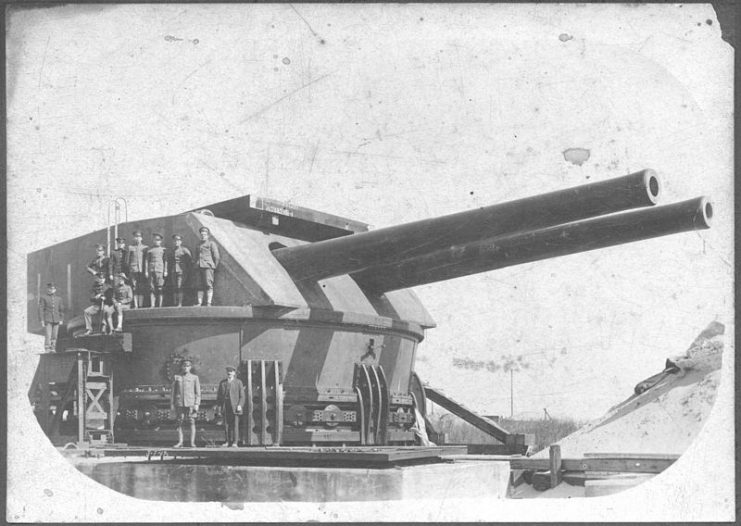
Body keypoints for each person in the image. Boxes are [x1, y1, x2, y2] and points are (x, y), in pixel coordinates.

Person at [170, 359, 201, 448]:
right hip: (180, 403)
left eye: (187, 366)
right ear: (182, 367)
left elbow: (198, 392)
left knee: (192, 422)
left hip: (190, 403)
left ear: (190, 367)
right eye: (184, 366)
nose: (185, 368)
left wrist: (197, 404)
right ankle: (180, 442)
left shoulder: (194, 378)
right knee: (180, 422)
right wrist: (172, 404)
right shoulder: (177, 377)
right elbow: (173, 392)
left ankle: (192, 443)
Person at [216, 366, 245, 447]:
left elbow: (242, 396)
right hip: (226, 406)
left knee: (235, 425)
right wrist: (219, 407)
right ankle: (227, 441)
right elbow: (219, 396)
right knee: (226, 425)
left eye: (231, 371)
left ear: (234, 373)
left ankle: (235, 442)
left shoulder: (238, 382)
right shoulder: (222, 383)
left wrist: (240, 405)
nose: (229, 373)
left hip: (235, 406)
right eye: (228, 372)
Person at [195, 226, 220, 306]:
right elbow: (196, 255)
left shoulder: (211, 243)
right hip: (199, 266)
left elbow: (216, 256)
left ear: (208, 235)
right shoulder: (198, 244)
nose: (203, 236)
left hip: (208, 266)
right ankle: (199, 303)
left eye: (204, 235)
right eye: (201, 235)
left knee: (208, 284)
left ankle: (209, 303)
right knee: (199, 285)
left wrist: (214, 266)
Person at [38, 282, 64, 352]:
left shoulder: (59, 299)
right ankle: (47, 348)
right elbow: (41, 309)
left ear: (55, 290)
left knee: (54, 335)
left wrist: (61, 319)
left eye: (53, 289)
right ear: (47, 289)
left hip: (56, 319)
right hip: (48, 319)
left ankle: (53, 348)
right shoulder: (43, 297)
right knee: (48, 335)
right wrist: (42, 320)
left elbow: (61, 309)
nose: (52, 290)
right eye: (50, 288)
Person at [169, 234, 192, 307]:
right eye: (175, 240)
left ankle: (180, 303)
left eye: (178, 240)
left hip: (182, 270)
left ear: (181, 242)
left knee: (180, 286)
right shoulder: (172, 251)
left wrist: (187, 270)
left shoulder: (184, 250)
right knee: (174, 286)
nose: (176, 242)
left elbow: (190, 260)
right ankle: (175, 302)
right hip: (174, 270)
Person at [145, 233, 168, 308]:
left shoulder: (163, 250)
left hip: (160, 270)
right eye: (155, 240)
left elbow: (165, 261)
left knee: (160, 287)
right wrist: (146, 271)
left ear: (160, 241)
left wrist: (165, 270)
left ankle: (160, 305)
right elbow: (146, 261)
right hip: (151, 270)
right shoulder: (150, 250)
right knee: (152, 288)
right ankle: (152, 304)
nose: (156, 241)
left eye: (158, 240)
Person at [127, 230, 148, 308]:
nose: (137, 239)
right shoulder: (131, 247)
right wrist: (129, 271)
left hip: (141, 270)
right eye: (136, 237)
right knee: (134, 287)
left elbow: (146, 260)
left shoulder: (145, 248)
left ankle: (140, 304)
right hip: (133, 270)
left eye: (139, 237)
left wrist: (146, 271)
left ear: (141, 238)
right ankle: (135, 305)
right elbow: (127, 260)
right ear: (134, 238)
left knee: (141, 287)